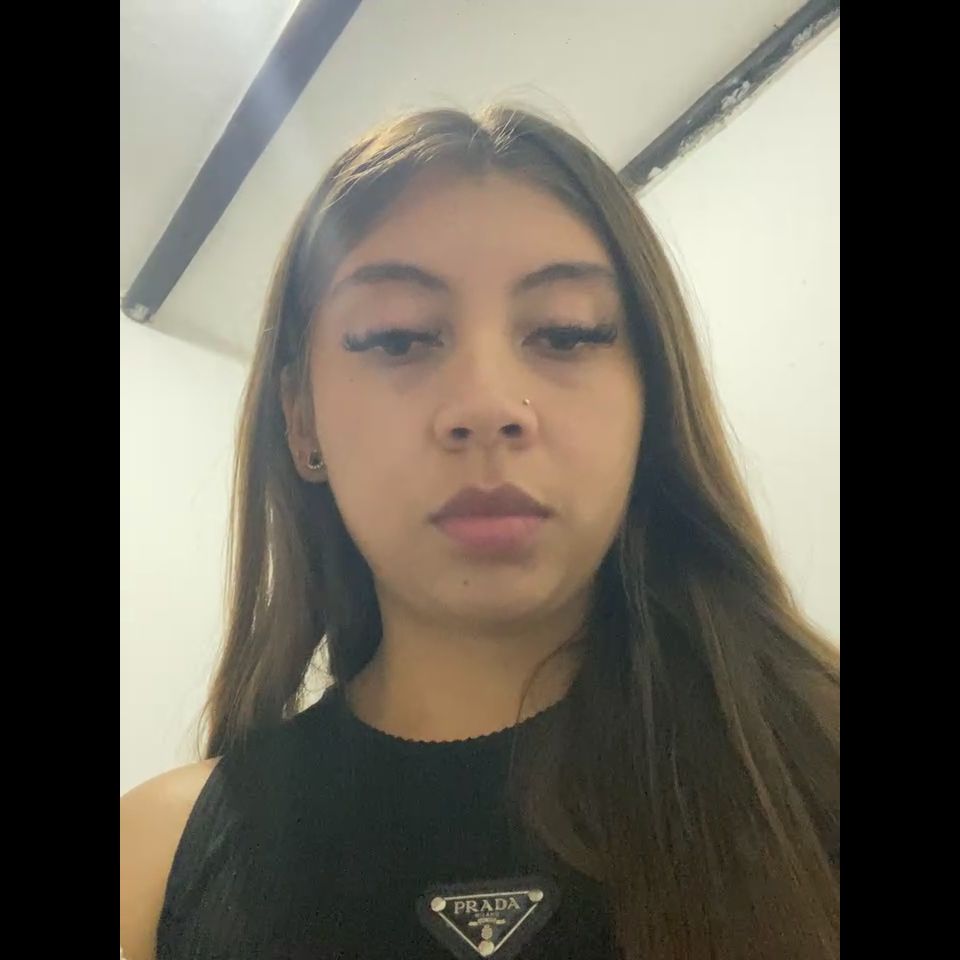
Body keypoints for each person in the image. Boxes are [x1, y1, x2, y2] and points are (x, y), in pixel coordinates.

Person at [120, 105, 839, 960]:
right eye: (397, 338)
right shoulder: (153, 862)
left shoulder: (816, 767)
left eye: (567, 333)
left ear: (653, 399)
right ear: (300, 418)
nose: (488, 405)